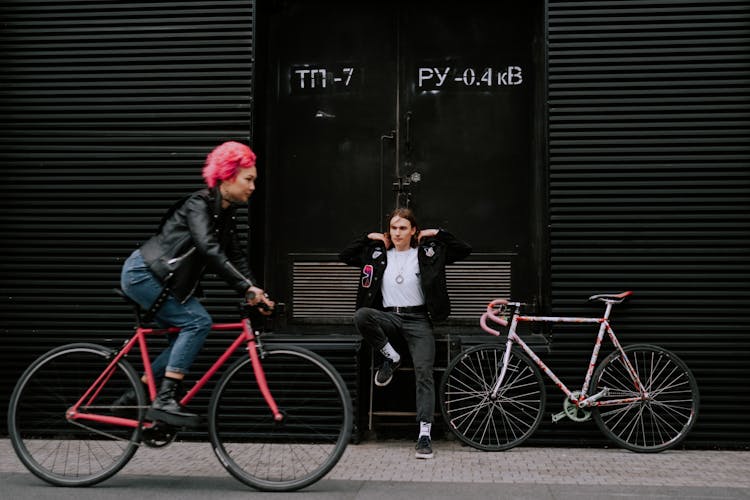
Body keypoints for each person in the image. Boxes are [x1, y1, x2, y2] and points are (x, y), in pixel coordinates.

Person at [116, 141, 274, 427]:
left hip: (163, 282)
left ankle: (134, 396)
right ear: (227, 176)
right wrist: (244, 288)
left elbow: (235, 257)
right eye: (248, 179)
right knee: (198, 323)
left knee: (183, 338)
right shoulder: (197, 205)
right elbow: (208, 248)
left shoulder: (225, 215)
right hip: (142, 274)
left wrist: (256, 292)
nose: (252, 186)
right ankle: (164, 399)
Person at [339, 208, 471, 459]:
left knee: (424, 373)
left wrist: (438, 233)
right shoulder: (376, 253)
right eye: (393, 228)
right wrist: (369, 238)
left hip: (418, 319)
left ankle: (424, 434)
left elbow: (465, 250)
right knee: (362, 315)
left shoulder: (427, 254)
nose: (397, 233)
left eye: (402, 228)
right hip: (388, 316)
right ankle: (391, 357)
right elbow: (344, 256)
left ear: (413, 231)